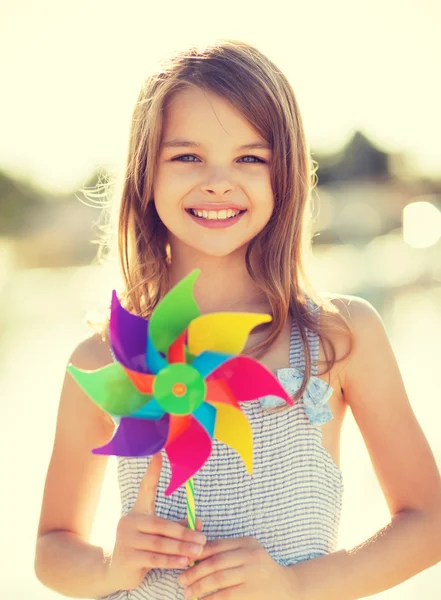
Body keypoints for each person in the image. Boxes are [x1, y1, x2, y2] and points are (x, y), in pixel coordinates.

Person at [34, 39, 441, 600]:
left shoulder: (337, 337)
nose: (219, 181)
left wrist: (294, 585)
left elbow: (428, 523)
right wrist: (108, 565)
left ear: (286, 174)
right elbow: (53, 549)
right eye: (187, 156)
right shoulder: (103, 361)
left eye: (250, 157)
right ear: (144, 174)